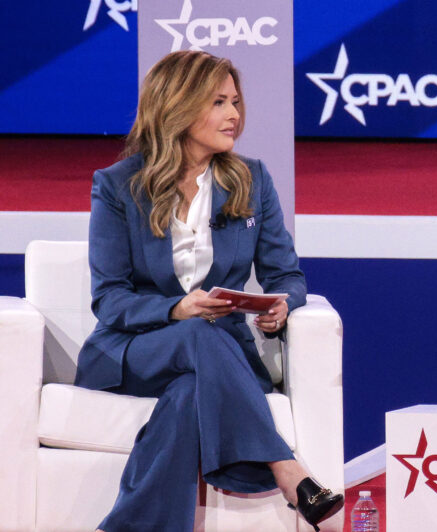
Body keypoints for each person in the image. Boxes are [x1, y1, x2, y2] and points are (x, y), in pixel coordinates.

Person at [75, 50, 344, 531]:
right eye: (219, 102)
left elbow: (288, 277)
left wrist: (282, 307)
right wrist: (179, 308)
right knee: (199, 333)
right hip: (134, 353)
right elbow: (110, 299)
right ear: (178, 105)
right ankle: (287, 469)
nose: (235, 115)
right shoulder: (118, 187)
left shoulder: (251, 180)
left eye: (236, 101)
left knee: (186, 397)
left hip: (216, 362)